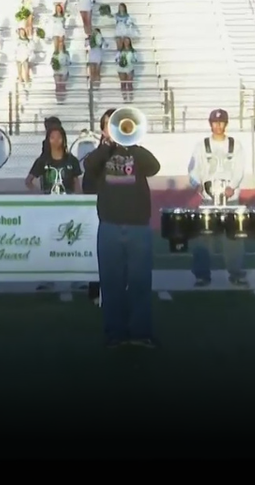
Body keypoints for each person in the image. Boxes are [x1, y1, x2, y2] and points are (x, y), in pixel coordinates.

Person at [84, 108, 161, 348]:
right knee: (112, 283)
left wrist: (132, 143)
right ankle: (115, 333)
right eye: (109, 125)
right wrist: (107, 146)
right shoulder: (100, 155)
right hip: (109, 225)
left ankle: (140, 333)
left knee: (140, 282)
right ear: (103, 129)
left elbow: (154, 166)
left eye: (116, 124)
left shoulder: (135, 152)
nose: (115, 129)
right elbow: (89, 175)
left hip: (138, 225)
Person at [187, 109, 246, 287]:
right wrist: (195, 182)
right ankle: (202, 274)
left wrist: (232, 186)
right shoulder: (201, 145)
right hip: (208, 199)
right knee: (203, 237)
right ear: (210, 123)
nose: (218, 125)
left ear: (226, 124)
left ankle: (236, 273)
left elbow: (239, 169)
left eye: (221, 122)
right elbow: (193, 168)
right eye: (215, 122)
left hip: (230, 199)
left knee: (233, 238)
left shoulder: (235, 145)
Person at [26, 121, 84, 292]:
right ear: (48, 140)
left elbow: (76, 182)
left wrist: (79, 201)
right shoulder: (42, 160)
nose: (56, 140)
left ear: (64, 140)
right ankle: (47, 278)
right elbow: (28, 181)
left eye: (59, 137)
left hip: (68, 205)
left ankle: (77, 278)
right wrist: (40, 195)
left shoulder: (71, 160)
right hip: (48, 207)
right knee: (48, 241)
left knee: (71, 241)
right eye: (52, 137)